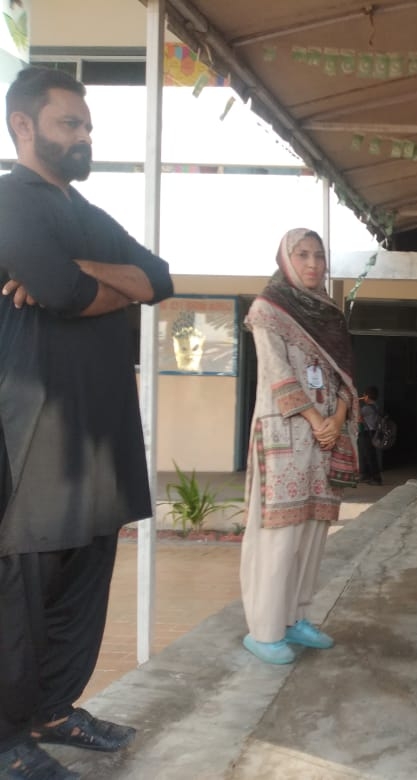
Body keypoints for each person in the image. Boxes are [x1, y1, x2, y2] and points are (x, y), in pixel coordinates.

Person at [0, 67, 174, 779]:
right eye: (69, 123)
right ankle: (6, 738)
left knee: (87, 576)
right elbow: (67, 292)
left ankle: (54, 709)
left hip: (101, 430)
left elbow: (160, 277)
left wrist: (79, 271)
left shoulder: (87, 212)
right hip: (33, 431)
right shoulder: (10, 201)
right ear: (24, 126)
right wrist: (96, 282)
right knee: (24, 590)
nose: (84, 137)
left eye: (88, 126)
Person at [239, 228, 359, 665]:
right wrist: (315, 419)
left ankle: (296, 617)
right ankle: (265, 630)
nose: (312, 263)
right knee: (280, 533)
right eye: (302, 254)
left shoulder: (330, 314)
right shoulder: (268, 309)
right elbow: (277, 372)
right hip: (284, 434)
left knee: (312, 531)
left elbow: (346, 375)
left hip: (325, 437)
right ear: (286, 260)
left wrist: (338, 419)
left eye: (319, 255)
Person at [358, 386, 383, 485]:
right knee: (367, 455)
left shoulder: (367, 408)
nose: (363, 397)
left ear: (367, 396)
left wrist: (354, 403)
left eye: (364, 395)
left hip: (367, 433)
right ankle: (366, 475)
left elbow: (357, 416)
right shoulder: (376, 406)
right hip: (373, 433)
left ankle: (376, 478)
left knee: (369, 456)